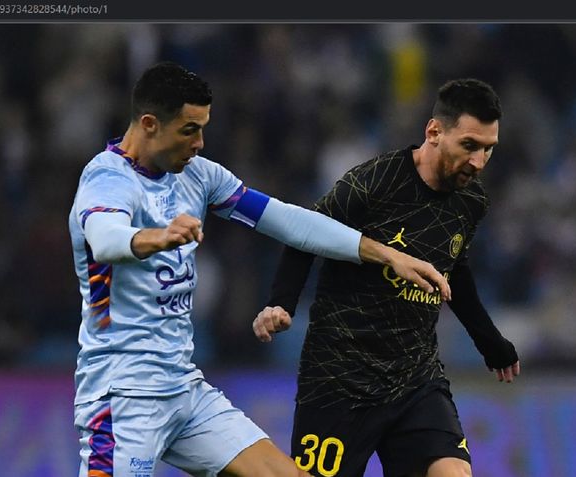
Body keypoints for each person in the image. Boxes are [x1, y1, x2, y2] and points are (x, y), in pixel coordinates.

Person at [68, 61, 451, 477]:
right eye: (189, 129)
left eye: (203, 128)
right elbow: (105, 239)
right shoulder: (106, 179)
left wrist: (386, 254)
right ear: (149, 124)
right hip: (122, 396)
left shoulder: (199, 175)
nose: (199, 142)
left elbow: (288, 221)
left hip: (184, 391)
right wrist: (157, 237)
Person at [253, 78, 520, 477]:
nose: (479, 162)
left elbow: (454, 270)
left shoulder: (472, 200)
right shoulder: (372, 183)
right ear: (434, 132)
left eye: (488, 149)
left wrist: (489, 340)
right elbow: (304, 233)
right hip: (339, 378)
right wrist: (281, 302)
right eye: (469, 146)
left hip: (416, 380)